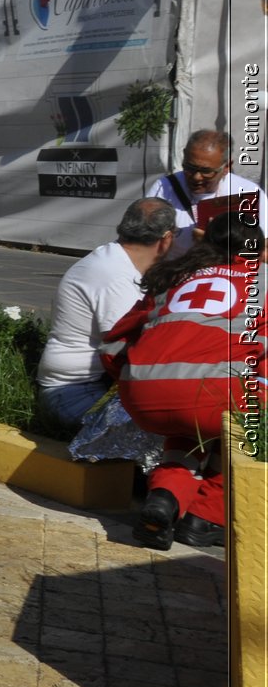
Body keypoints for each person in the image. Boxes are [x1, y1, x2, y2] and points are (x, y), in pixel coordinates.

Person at [101, 208, 264, 550]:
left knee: (190, 434)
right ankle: (206, 518)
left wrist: (139, 384)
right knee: (240, 428)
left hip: (145, 393)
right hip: (218, 394)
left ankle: (164, 500)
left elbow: (113, 343)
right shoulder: (262, 279)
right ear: (260, 251)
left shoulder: (176, 277)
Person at [38, 197, 176, 427]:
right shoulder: (115, 276)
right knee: (171, 429)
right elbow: (135, 350)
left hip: (82, 386)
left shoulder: (111, 260)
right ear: (166, 240)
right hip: (74, 391)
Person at [146, 129, 263, 257]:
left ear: (226, 167)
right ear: (184, 155)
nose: (196, 177)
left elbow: (262, 251)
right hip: (174, 272)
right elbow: (144, 241)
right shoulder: (164, 188)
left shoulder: (248, 192)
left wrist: (213, 243)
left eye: (206, 171)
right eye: (190, 168)